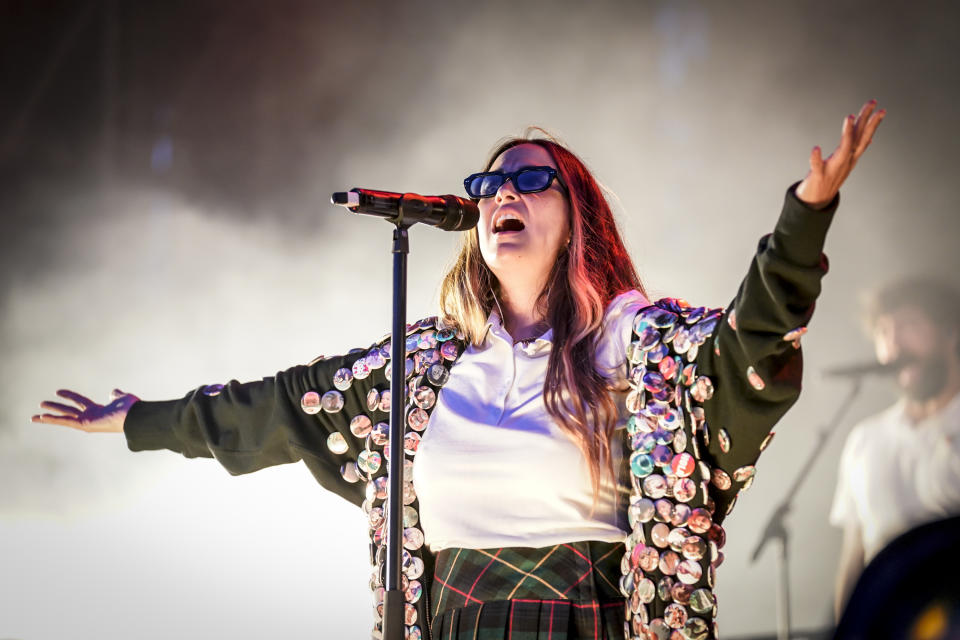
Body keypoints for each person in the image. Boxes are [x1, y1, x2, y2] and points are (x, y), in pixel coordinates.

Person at [34, 100, 885, 640]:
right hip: (453, 620)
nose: (503, 193)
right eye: (490, 183)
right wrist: (141, 418)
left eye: (530, 179)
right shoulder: (425, 368)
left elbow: (751, 345)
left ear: (575, 212)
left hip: (586, 620)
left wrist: (803, 219)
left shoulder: (637, 343)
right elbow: (282, 408)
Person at [830, 276, 960, 621]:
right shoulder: (865, 440)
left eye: (910, 326)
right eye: (884, 332)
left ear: (950, 332)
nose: (895, 345)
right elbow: (854, 558)